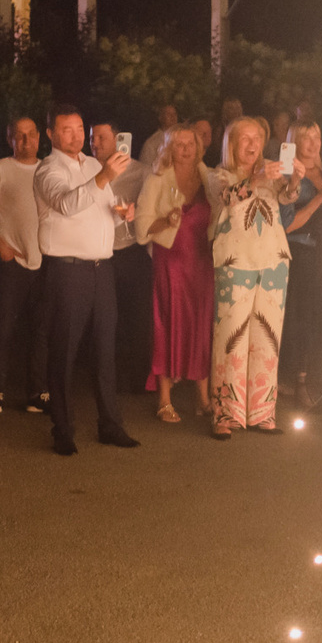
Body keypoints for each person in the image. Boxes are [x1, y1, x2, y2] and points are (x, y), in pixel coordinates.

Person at [33, 106, 140, 456]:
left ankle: (110, 424)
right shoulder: (47, 170)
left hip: (100, 268)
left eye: (80, 128)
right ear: (51, 134)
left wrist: (123, 212)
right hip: (67, 270)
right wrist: (104, 178)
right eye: (67, 129)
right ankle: (62, 429)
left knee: (105, 349)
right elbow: (66, 204)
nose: (77, 135)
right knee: (64, 350)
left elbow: (106, 205)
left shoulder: (94, 165)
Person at [206, 117, 292, 437]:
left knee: (267, 338)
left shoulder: (270, 171)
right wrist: (256, 178)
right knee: (231, 338)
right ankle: (225, 413)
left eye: (257, 138)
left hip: (273, 261)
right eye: (245, 138)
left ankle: (262, 411)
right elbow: (228, 197)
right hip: (234, 262)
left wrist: (293, 179)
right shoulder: (219, 175)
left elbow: (287, 197)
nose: (252, 144)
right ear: (231, 142)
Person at [138, 122, 214, 423]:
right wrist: (166, 221)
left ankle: (203, 398)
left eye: (190, 144)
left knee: (201, 324)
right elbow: (142, 227)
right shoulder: (157, 177)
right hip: (170, 261)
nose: (185, 149)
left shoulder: (209, 177)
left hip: (202, 260)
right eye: (179, 144)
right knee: (168, 324)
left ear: (199, 147)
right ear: (168, 147)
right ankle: (165, 400)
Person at [0, 117, 49, 416]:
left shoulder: (48, 169)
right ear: (10, 139)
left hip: (44, 260)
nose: (27, 141)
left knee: (42, 329)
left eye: (31, 135)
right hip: (12, 261)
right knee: (3, 327)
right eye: (20, 136)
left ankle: (37, 392)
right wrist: (0, 245)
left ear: (40, 137)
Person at [279, 121, 322, 409]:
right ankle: (299, 382)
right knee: (303, 319)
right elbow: (289, 223)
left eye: (316, 137)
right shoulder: (289, 175)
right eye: (305, 138)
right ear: (294, 143)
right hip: (304, 250)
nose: (312, 143)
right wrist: (321, 197)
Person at [99, 120, 155, 394]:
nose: (95, 143)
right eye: (92, 138)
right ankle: (108, 376)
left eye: (102, 137)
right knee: (108, 318)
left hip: (132, 249)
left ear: (117, 139)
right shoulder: (90, 169)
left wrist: (137, 209)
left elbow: (151, 204)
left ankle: (138, 377)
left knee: (137, 316)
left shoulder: (141, 171)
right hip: (102, 252)